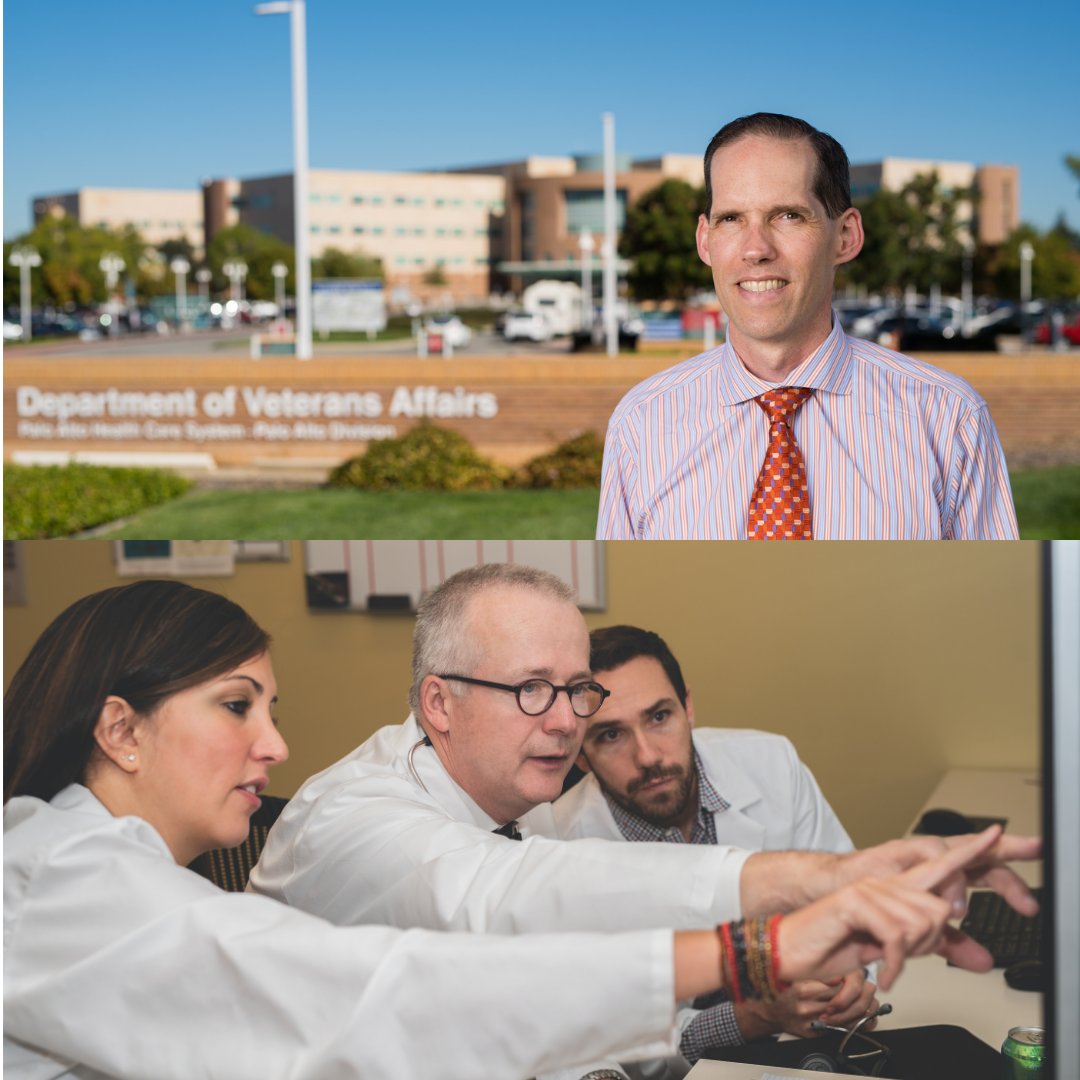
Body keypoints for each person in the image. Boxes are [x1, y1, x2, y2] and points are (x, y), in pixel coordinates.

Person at [6, 579, 976, 1080]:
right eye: (236, 707)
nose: (275, 745)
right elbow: (453, 943)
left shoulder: (110, 869)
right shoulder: (68, 883)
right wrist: (763, 928)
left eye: (573, 690)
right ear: (121, 729)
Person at [251, 562, 1037, 936]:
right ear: (438, 703)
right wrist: (820, 877)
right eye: (532, 688)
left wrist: (762, 998)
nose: (564, 722)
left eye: (574, 690)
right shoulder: (356, 817)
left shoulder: (502, 807)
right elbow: (506, 897)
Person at [597, 112, 1018, 540]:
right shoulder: (643, 424)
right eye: (731, 219)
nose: (756, 249)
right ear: (705, 241)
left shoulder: (947, 419)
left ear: (846, 236)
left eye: (788, 216)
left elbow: (995, 604)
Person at [553, 625, 871, 1070]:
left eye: (659, 716)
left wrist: (849, 973)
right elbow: (602, 1040)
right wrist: (754, 1016)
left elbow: (846, 906)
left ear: (687, 707)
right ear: (581, 757)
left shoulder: (772, 764)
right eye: (611, 736)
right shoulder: (556, 849)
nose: (647, 756)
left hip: (805, 1050)